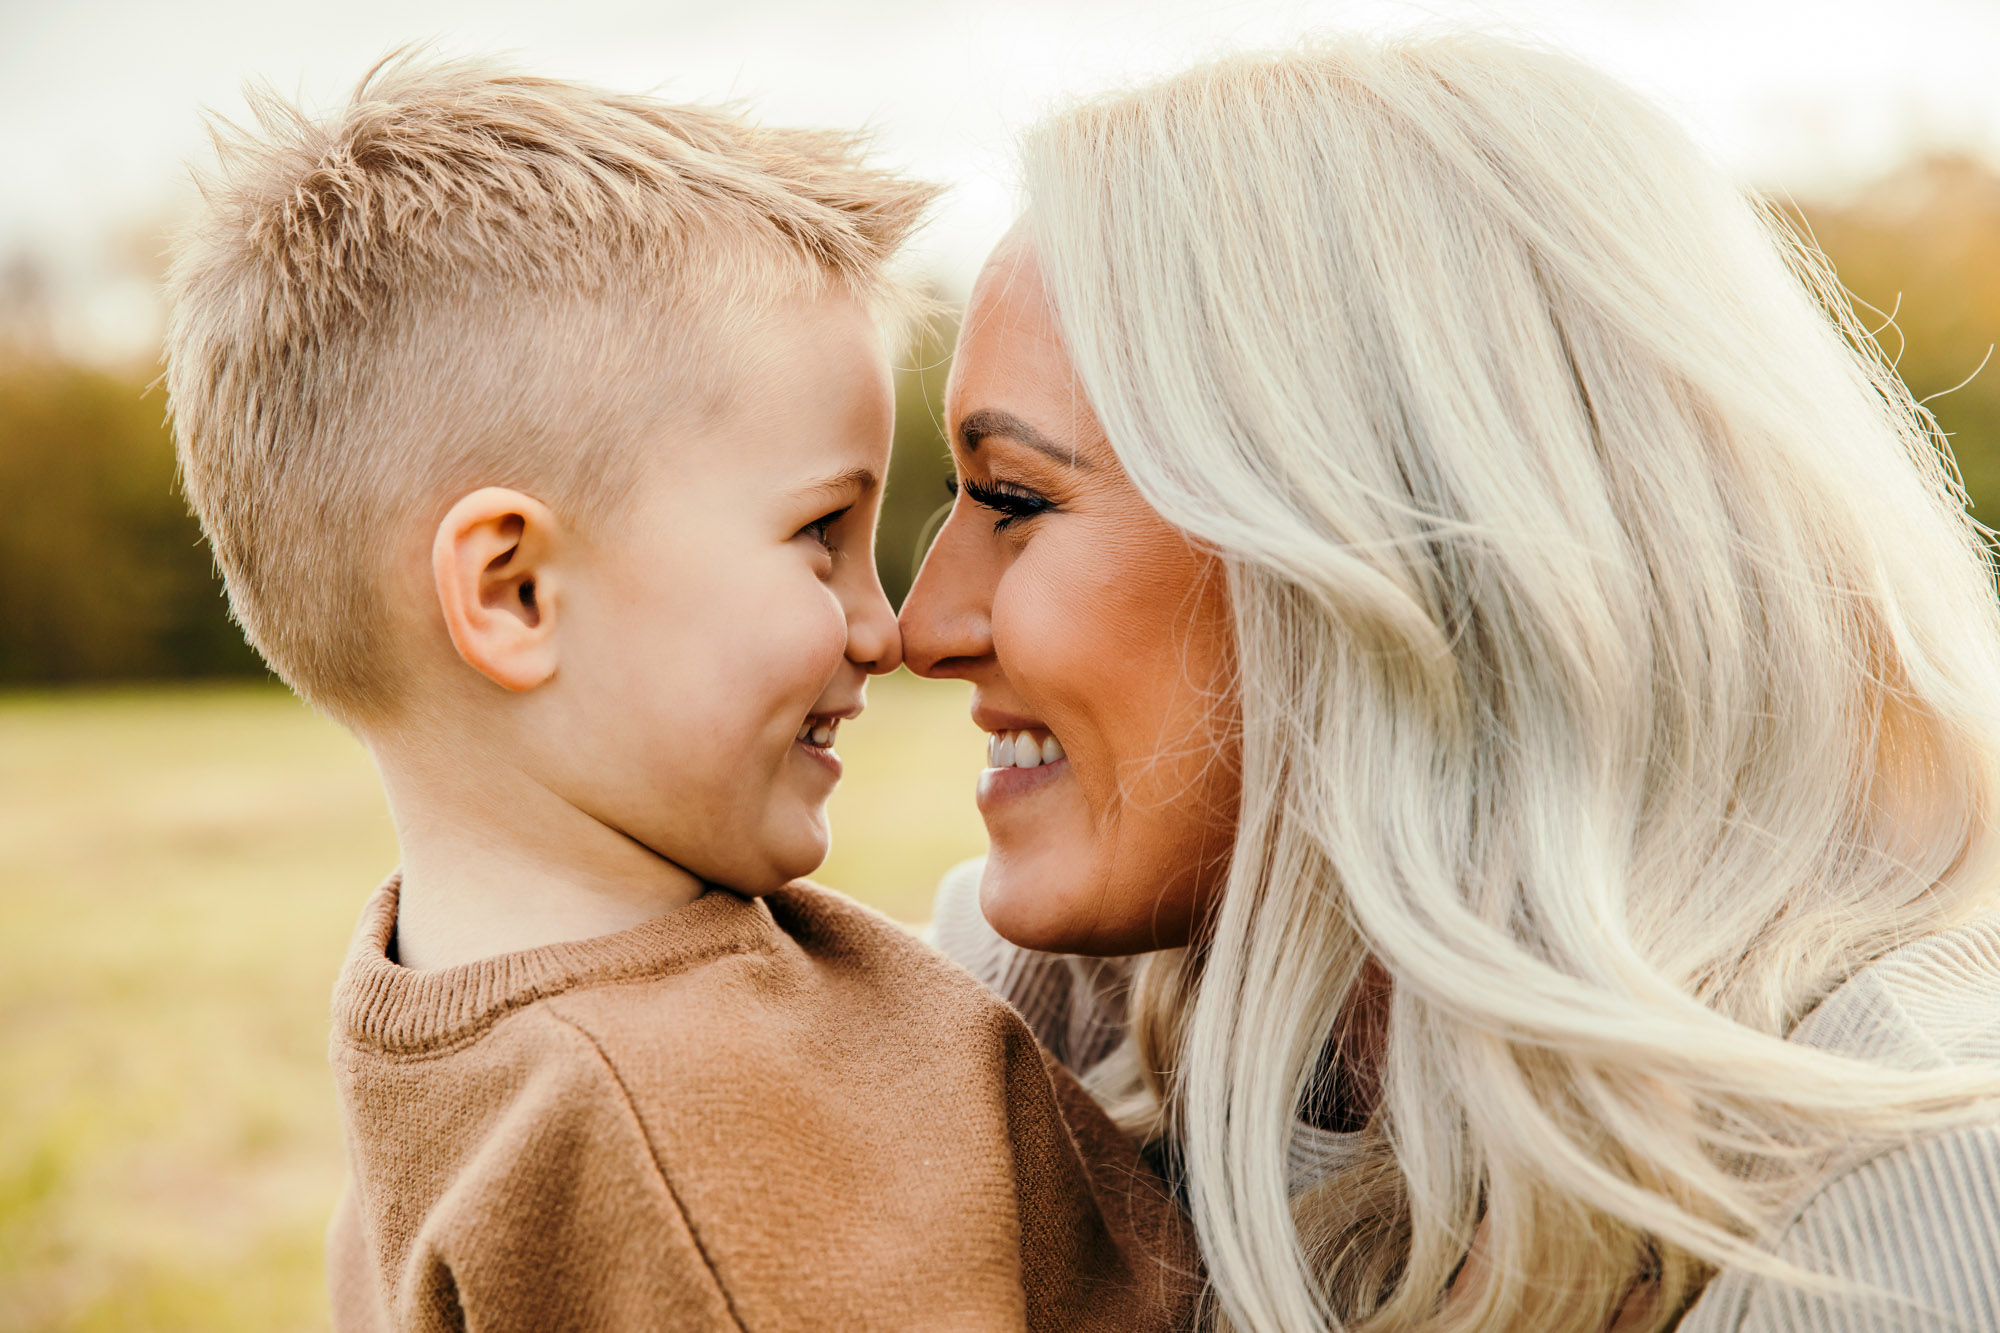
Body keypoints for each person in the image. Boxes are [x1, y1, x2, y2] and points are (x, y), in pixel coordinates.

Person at [904, 33, 2000, 1333]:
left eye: (1017, 500)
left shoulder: (1917, 1163)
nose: (921, 625)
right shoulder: (1064, 1025)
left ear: (1381, 545)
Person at [163, 55, 1192, 1332]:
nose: (886, 627)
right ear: (516, 593)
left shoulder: (447, 1046)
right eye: (820, 531)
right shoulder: (700, 1144)